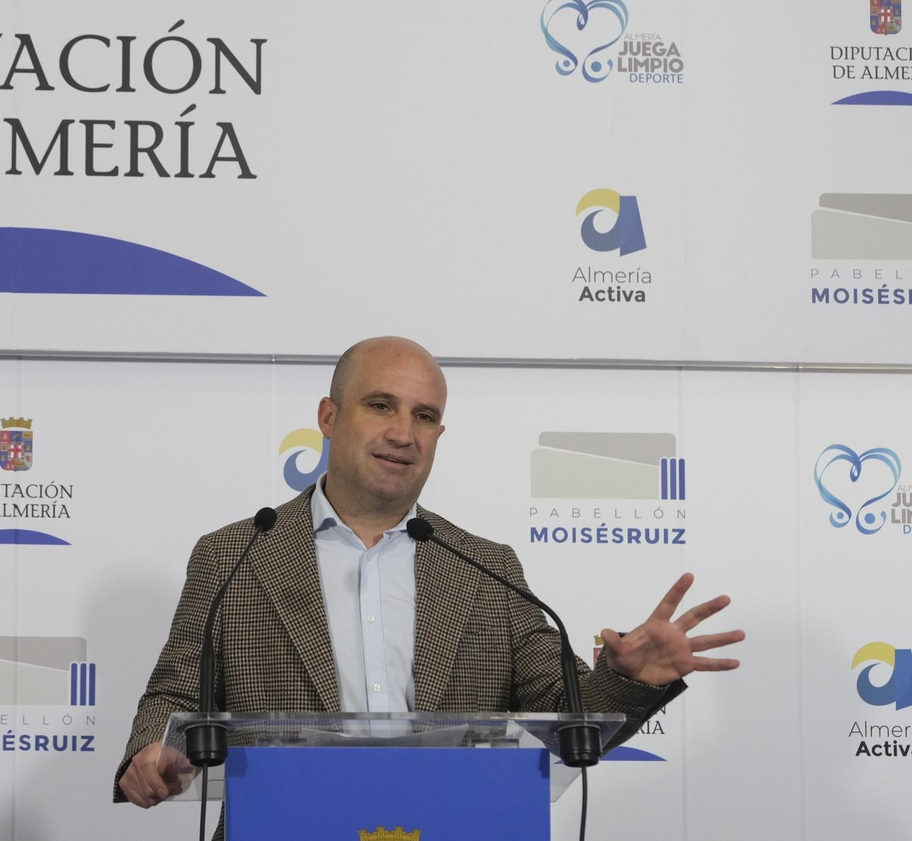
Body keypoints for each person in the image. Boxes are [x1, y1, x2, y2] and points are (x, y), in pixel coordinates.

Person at [115, 336, 744, 812]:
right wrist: (151, 750)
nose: (401, 433)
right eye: (380, 405)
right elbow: (175, 695)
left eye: (423, 415)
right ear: (329, 418)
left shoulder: (486, 569)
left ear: (440, 433)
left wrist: (627, 680)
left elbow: (564, 718)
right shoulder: (236, 555)